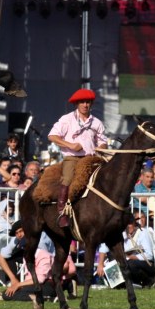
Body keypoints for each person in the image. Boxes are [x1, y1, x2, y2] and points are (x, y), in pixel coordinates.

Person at [48, 88, 108, 227]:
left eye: (88, 102)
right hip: (73, 158)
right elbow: (52, 135)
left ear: (91, 104)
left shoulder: (97, 122)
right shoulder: (67, 119)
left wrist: (102, 149)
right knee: (68, 178)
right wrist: (70, 144)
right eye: (82, 102)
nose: (85, 105)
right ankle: (62, 211)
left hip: (91, 158)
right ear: (77, 104)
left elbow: (102, 141)